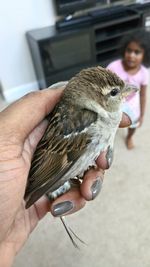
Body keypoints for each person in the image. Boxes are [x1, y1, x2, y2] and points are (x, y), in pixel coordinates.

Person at [0, 87, 131, 267]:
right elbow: (59, 158)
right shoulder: (90, 119)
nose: (126, 93)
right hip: (46, 173)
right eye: (115, 93)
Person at [107, 30, 150, 149]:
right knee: (111, 124)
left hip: (132, 105)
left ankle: (129, 136)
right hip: (114, 103)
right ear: (124, 50)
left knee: (133, 124)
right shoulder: (113, 67)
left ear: (145, 55)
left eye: (137, 52)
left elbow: (143, 95)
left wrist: (142, 114)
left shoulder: (144, 73)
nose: (131, 55)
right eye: (129, 50)